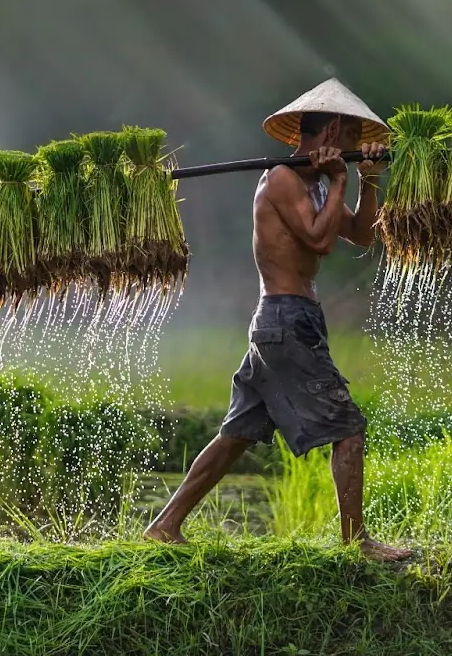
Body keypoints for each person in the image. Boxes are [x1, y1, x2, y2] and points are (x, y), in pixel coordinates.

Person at [145, 80, 415, 561]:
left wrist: (367, 179)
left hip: (284, 321)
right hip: (286, 320)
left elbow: (360, 236)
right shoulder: (283, 179)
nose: (356, 143)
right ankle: (357, 544)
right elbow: (319, 241)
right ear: (331, 127)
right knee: (348, 429)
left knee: (237, 435)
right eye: (352, 133)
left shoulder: (313, 182)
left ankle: (164, 525)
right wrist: (339, 181)